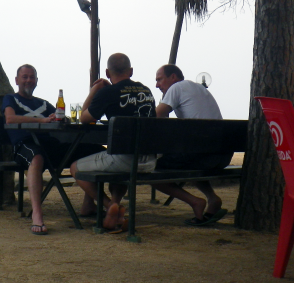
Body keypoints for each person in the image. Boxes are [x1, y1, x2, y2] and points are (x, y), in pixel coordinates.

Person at [1, 64, 102, 236]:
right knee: (37, 157)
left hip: (49, 145)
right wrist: (42, 121)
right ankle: (37, 214)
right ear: (17, 80)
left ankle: (89, 204)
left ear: (37, 81)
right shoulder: (10, 99)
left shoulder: (43, 103)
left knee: (94, 150)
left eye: (32, 77)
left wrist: (60, 119)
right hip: (24, 145)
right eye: (25, 77)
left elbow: (60, 117)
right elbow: (10, 119)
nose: (28, 80)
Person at [70, 53, 157, 232]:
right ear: (131, 71)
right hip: (150, 160)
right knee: (117, 165)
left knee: (75, 168)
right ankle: (114, 208)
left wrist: (94, 90)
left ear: (107, 73)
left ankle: (109, 206)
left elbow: (84, 118)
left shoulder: (107, 93)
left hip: (124, 159)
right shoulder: (146, 91)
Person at [153, 64, 231, 226]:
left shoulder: (176, 88)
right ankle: (212, 199)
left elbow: (156, 116)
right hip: (222, 155)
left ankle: (195, 202)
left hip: (202, 155)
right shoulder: (199, 88)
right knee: (189, 158)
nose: (157, 85)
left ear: (173, 77)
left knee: (149, 170)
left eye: (159, 79)